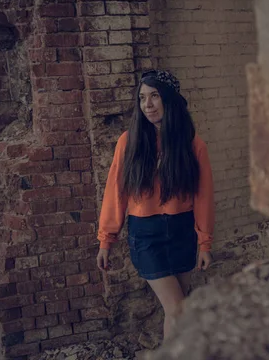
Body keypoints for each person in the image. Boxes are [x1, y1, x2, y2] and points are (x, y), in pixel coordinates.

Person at [96, 69, 214, 339]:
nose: (147, 105)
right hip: (146, 235)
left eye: (154, 96)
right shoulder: (130, 141)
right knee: (179, 309)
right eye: (142, 98)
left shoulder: (193, 145)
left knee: (177, 311)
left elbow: (204, 196)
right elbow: (116, 191)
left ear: (169, 100)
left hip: (182, 232)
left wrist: (205, 242)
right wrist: (106, 239)